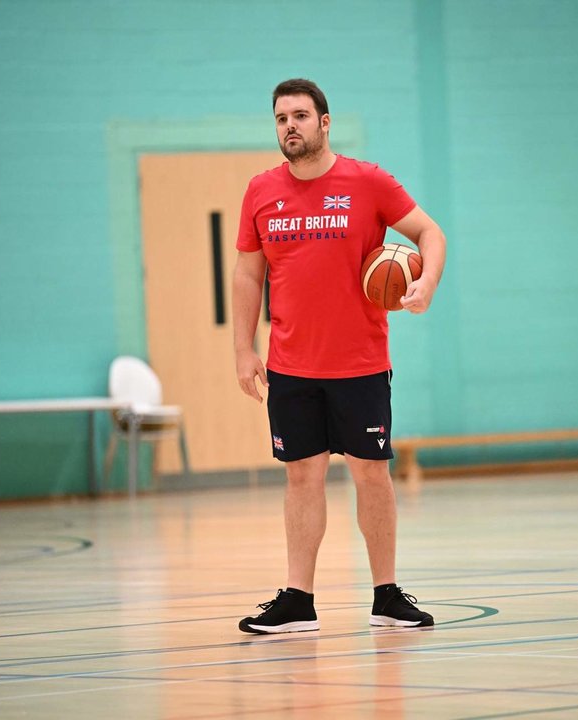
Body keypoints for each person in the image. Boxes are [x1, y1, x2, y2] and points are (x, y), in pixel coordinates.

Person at [232, 78, 446, 634]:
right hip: (291, 364)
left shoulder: (367, 181)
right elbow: (248, 274)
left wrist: (426, 285)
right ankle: (298, 601)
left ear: (324, 123)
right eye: (281, 118)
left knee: (371, 474)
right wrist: (242, 349)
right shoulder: (260, 191)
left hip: (360, 363)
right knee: (301, 477)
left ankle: (387, 594)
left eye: (300, 116)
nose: (290, 127)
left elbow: (429, 233)